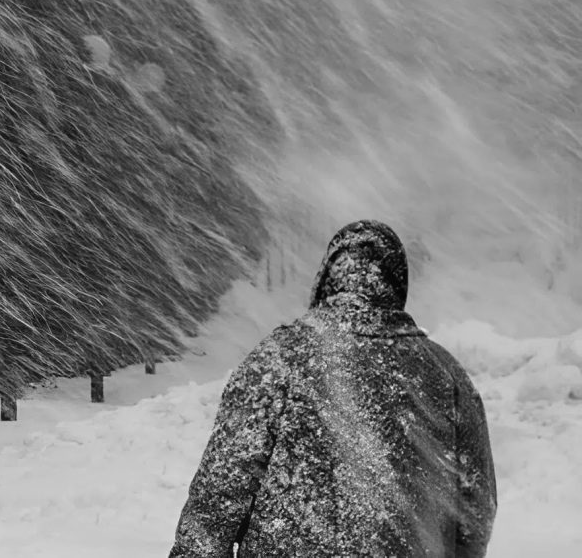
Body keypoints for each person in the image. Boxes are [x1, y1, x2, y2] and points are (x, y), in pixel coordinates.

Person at [168, 220, 497, 557]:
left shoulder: (280, 358)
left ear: (326, 282)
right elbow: (475, 509)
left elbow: (219, 494)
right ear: (397, 288)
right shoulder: (446, 374)